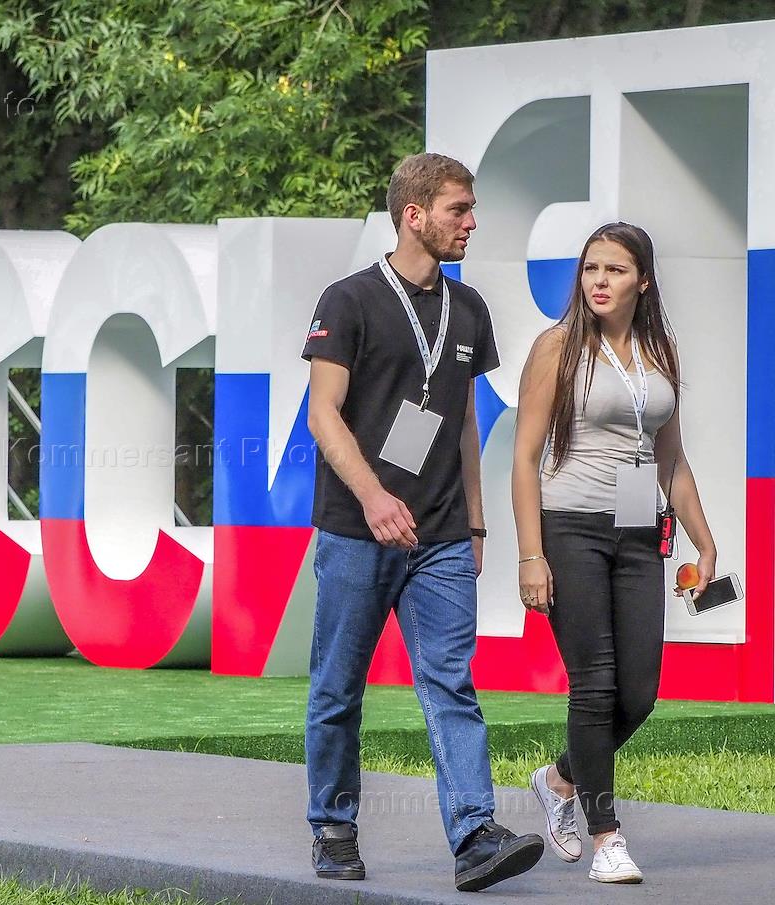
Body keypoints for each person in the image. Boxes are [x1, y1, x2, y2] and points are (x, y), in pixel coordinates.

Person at [302, 153, 544, 892]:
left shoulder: (468, 309)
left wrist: (475, 524)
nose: (471, 222)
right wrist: (374, 497)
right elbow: (323, 415)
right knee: (338, 687)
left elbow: (464, 421)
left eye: (471, 209)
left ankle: (473, 835)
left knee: (451, 686)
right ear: (414, 215)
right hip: (356, 528)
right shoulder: (348, 300)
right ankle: (333, 827)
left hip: (440, 536)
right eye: (458, 209)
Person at [512, 222, 717, 884]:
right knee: (595, 685)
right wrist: (530, 554)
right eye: (591, 268)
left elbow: (670, 457)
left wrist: (705, 540)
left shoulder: (660, 351)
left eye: (615, 270)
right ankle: (607, 835)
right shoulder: (557, 346)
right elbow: (524, 456)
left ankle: (558, 779)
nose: (599, 281)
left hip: (638, 527)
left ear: (643, 281)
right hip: (569, 525)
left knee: (641, 692)